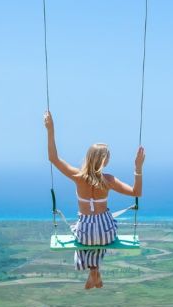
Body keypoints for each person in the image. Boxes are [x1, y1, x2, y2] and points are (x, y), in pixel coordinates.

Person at [44, 111, 145, 289]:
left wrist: (50, 129)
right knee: (100, 232)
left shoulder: (77, 176)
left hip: (86, 233)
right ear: (104, 161)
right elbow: (137, 192)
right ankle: (94, 273)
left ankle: (93, 273)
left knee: (83, 233)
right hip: (106, 232)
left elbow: (53, 158)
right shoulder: (109, 180)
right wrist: (138, 168)